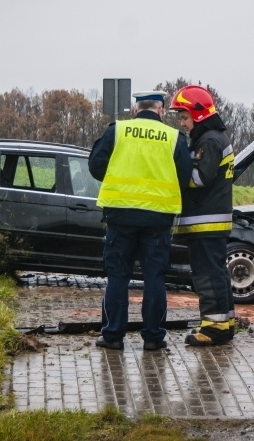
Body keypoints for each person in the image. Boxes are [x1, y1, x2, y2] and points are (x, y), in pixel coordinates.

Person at [88, 90, 192, 351]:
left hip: (120, 215)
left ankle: (113, 336)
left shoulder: (118, 130)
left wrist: (117, 177)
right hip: (158, 218)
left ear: (135, 110)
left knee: (118, 277)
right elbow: (185, 176)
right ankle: (154, 338)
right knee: (154, 277)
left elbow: (95, 165)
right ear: (160, 110)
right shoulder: (173, 137)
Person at [169, 85, 236, 347]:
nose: (183, 124)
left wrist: (179, 162)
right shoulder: (216, 137)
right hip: (213, 219)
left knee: (206, 274)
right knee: (217, 272)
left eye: (184, 117)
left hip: (205, 221)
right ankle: (225, 321)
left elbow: (198, 178)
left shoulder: (208, 141)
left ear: (197, 114)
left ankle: (213, 327)